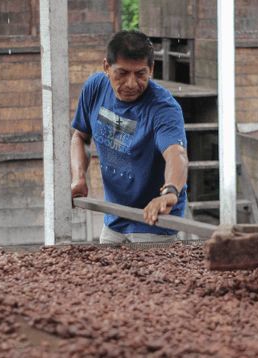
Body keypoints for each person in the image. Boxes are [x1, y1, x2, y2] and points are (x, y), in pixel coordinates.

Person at [70, 30, 189, 244]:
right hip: (114, 218)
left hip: (155, 222)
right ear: (106, 67)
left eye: (140, 74)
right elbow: (80, 136)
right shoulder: (95, 88)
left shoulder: (163, 107)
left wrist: (170, 191)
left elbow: (176, 153)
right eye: (122, 73)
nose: (132, 83)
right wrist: (79, 176)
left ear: (151, 69)